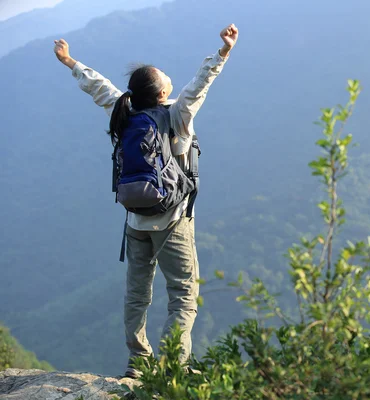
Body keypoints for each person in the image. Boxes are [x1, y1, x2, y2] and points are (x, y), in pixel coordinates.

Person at [53, 24, 239, 378]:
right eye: (166, 78)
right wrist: (223, 53)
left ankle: (138, 362)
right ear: (161, 93)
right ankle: (172, 369)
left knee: (137, 295)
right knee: (183, 295)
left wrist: (69, 61)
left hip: (135, 221)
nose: (171, 79)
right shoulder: (177, 115)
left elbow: (99, 87)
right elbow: (200, 85)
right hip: (172, 221)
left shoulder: (122, 112)